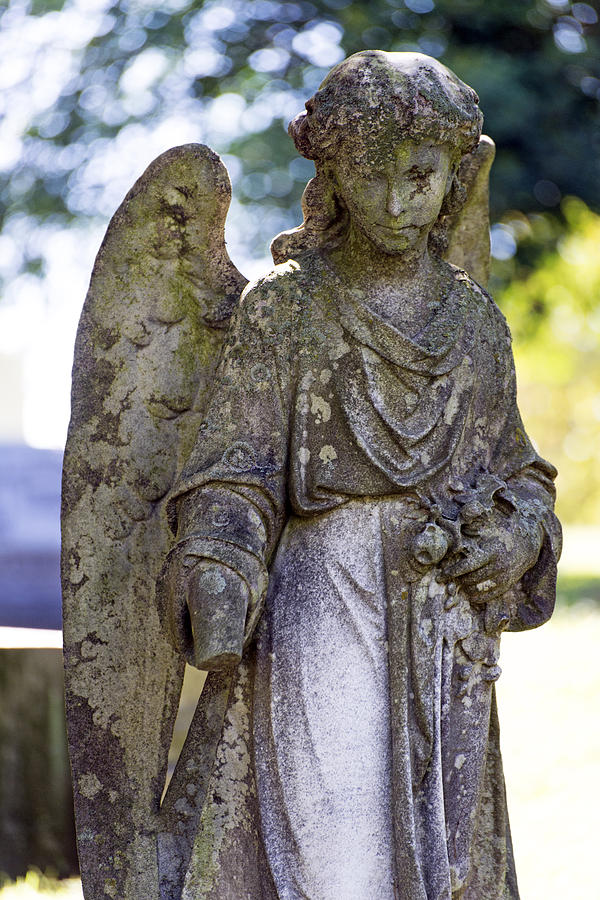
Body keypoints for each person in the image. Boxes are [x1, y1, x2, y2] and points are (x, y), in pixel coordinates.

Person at [159, 51, 560, 899]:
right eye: (370, 174)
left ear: (455, 176)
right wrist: (219, 562)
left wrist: (517, 532)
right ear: (332, 173)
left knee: (440, 863)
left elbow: (521, 472)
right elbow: (235, 473)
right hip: (325, 606)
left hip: (444, 633)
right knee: (333, 846)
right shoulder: (287, 307)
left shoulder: (475, 325)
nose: (394, 201)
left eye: (419, 176)